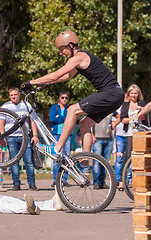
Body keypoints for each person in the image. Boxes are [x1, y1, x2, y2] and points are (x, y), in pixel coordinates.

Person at [29, 30, 124, 158]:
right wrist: (47, 84)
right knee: (84, 124)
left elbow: (57, 74)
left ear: (71, 45)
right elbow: (67, 76)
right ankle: (85, 159)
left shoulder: (78, 57)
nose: (61, 53)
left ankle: (57, 148)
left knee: (72, 109)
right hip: (116, 96)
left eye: (62, 49)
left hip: (110, 93)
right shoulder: (80, 60)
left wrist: (31, 82)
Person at [0, 87, 39, 191]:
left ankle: (32, 184)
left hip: (24, 137)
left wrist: (35, 135)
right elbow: (1, 123)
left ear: (19, 95)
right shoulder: (5, 106)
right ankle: (16, 184)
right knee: (14, 161)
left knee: (28, 161)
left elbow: (33, 120)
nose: (13, 97)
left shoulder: (26, 105)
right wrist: (2, 137)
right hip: (11, 138)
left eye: (15, 95)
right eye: (11, 95)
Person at [120, 84, 149, 191]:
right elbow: (122, 119)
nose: (133, 95)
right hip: (130, 132)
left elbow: (146, 112)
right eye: (131, 93)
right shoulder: (126, 104)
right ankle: (122, 181)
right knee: (127, 155)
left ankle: (138, 180)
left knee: (140, 156)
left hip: (140, 132)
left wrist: (140, 110)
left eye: (135, 93)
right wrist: (132, 119)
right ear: (128, 94)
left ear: (138, 94)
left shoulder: (141, 103)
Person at [49, 91, 71, 187]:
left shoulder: (69, 108)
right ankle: (55, 180)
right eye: (62, 97)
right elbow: (52, 119)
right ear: (59, 98)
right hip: (56, 135)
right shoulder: (55, 107)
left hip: (66, 135)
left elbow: (69, 119)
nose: (64, 99)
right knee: (56, 157)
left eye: (66, 98)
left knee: (67, 157)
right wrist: (63, 118)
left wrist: (59, 117)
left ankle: (64, 180)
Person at [91, 112, 118, 190]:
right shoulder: (96, 110)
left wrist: (114, 125)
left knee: (106, 162)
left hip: (108, 139)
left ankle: (102, 182)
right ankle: (96, 182)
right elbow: (88, 124)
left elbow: (119, 117)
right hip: (98, 139)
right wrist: (92, 135)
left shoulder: (111, 110)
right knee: (97, 162)